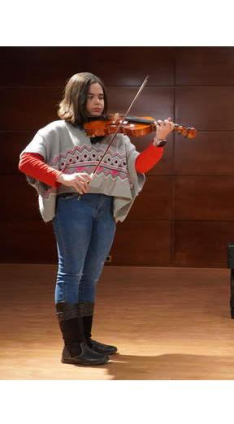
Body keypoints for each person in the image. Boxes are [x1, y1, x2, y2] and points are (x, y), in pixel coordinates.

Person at [18, 72, 174, 365]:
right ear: (76, 98)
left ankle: (85, 339)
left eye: (100, 96)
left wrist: (160, 141)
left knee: (91, 276)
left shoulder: (114, 136)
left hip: (105, 208)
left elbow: (140, 165)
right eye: (90, 96)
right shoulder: (56, 131)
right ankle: (72, 347)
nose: (97, 102)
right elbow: (27, 160)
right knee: (71, 273)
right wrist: (62, 175)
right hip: (73, 205)